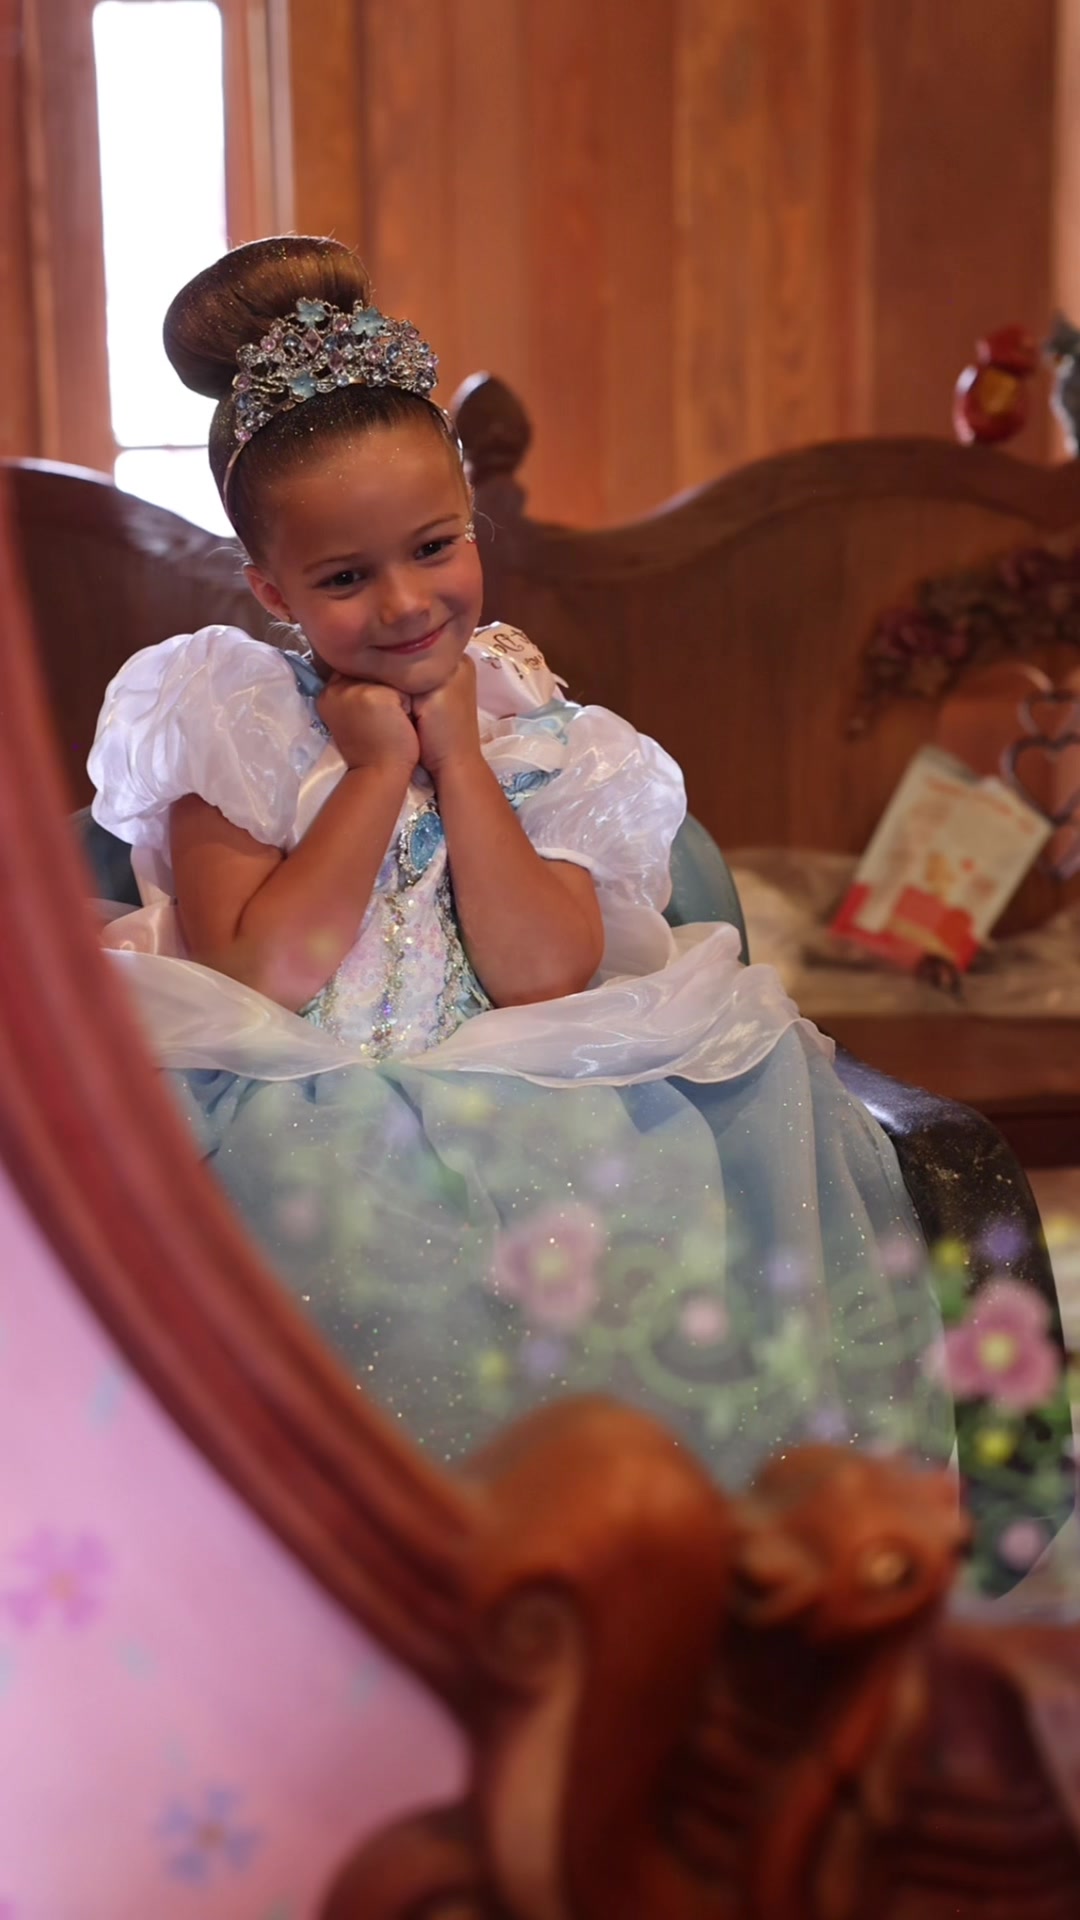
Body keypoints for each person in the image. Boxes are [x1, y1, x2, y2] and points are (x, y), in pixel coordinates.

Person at [90, 235, 951, 1482]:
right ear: (272, 591)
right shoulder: (232, 719)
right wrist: (372, 775)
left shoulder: (532, 725)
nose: (405, 605)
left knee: (635, 1241)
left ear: (470, 517)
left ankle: (627, 1539)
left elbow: (545, 972)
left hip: (525, 1083)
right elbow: (261, 972)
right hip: (294, 1100)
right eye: (345, 576)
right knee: (357, 1268)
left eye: (435, 546)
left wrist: (460, 761)